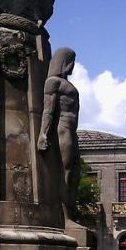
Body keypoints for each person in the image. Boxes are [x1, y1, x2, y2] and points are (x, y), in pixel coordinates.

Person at [38, 47, 81, 215]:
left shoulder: (65, 83)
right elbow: (48, 111)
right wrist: (43, 133)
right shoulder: (53, 82)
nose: (73, 65)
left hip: (72, 131)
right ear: (65, 62)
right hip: (62, 130)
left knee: (74, 173)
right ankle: (63, 214)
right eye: (72, 61)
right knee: (65, 171)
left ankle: (69, 210)